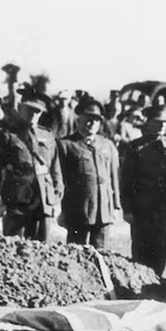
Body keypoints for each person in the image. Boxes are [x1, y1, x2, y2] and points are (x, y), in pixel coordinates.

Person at [0, 90, 64, 241]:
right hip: (16, 203)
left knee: (42, 250)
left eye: (37, 111)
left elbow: (55, 171)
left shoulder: (48, 136)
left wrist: (55, 199)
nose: (33, 114)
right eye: (29, 110)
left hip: (43, 203)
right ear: (20, 108)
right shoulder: (6, 136)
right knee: (14, 251)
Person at [120, 104, 166, 275]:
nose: (162, 126)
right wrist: (128, 209)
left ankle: (157, 286)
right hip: (142, 207)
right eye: (158, 122)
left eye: (165, 122)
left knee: (160, 250)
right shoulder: (135, 147)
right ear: (149, 122)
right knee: (141, 249)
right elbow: (126, 181)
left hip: (162, 207)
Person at [56, 98, 121, 249]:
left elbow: (114, 178)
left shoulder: (107, 145)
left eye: (96, 120)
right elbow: (60, 179)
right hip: (78, 210)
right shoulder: (66, 145)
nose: (92, 123)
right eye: (88, 119)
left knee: (101, 253)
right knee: (76, 252)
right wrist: (62, 210)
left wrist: (116, 206)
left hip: (103, 210)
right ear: (79, 120)